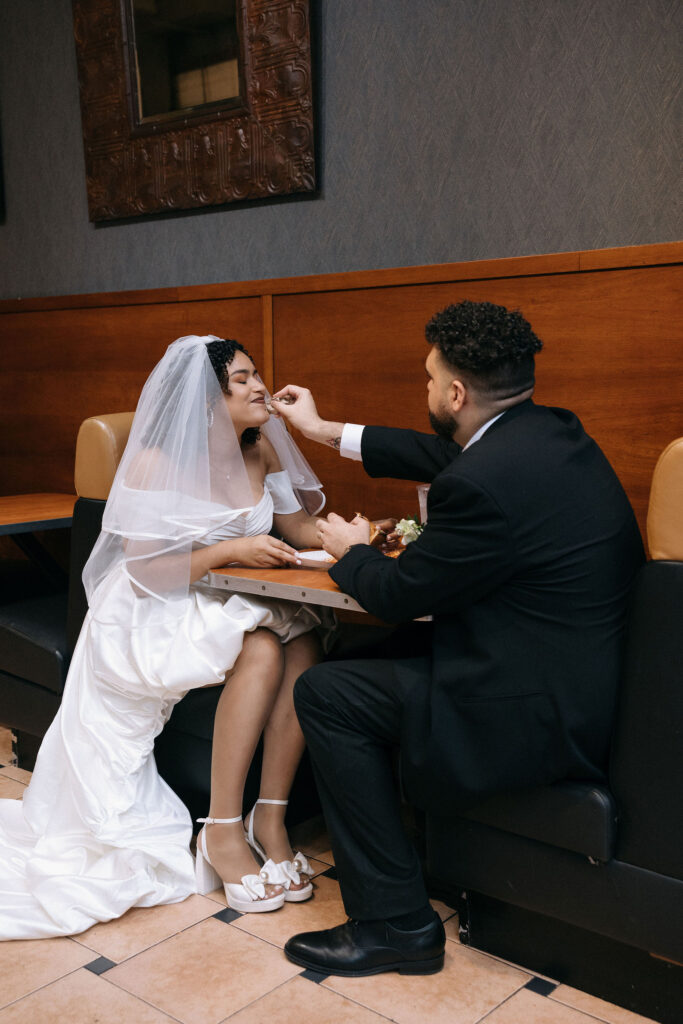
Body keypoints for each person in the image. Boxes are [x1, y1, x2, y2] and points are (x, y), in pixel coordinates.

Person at [271, 299, 645, 977]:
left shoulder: (478, 485)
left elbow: (391, 595)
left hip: (530, 714)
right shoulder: (552, 433)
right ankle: (403, 853)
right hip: (570, 680)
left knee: (324, 691)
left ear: (454, 392)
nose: (423, 390)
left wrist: (350, 550)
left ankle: (396, 925)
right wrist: (324, 430)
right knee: (357, 659)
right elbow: (444, 452)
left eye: (425, 378)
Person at [0, 334, 335, 939]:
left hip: (229, 597)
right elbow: (145, 569)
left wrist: (356, 537)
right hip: (156, 605)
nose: (260, 386)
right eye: (241, 379)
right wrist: (231, 549)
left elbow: (299, 529)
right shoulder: (157, 464)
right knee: (260, 647)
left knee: (307, 641)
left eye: (258, 373)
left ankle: (273, 819)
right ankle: (223, 828)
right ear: (206, 400)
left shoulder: (263, 454)